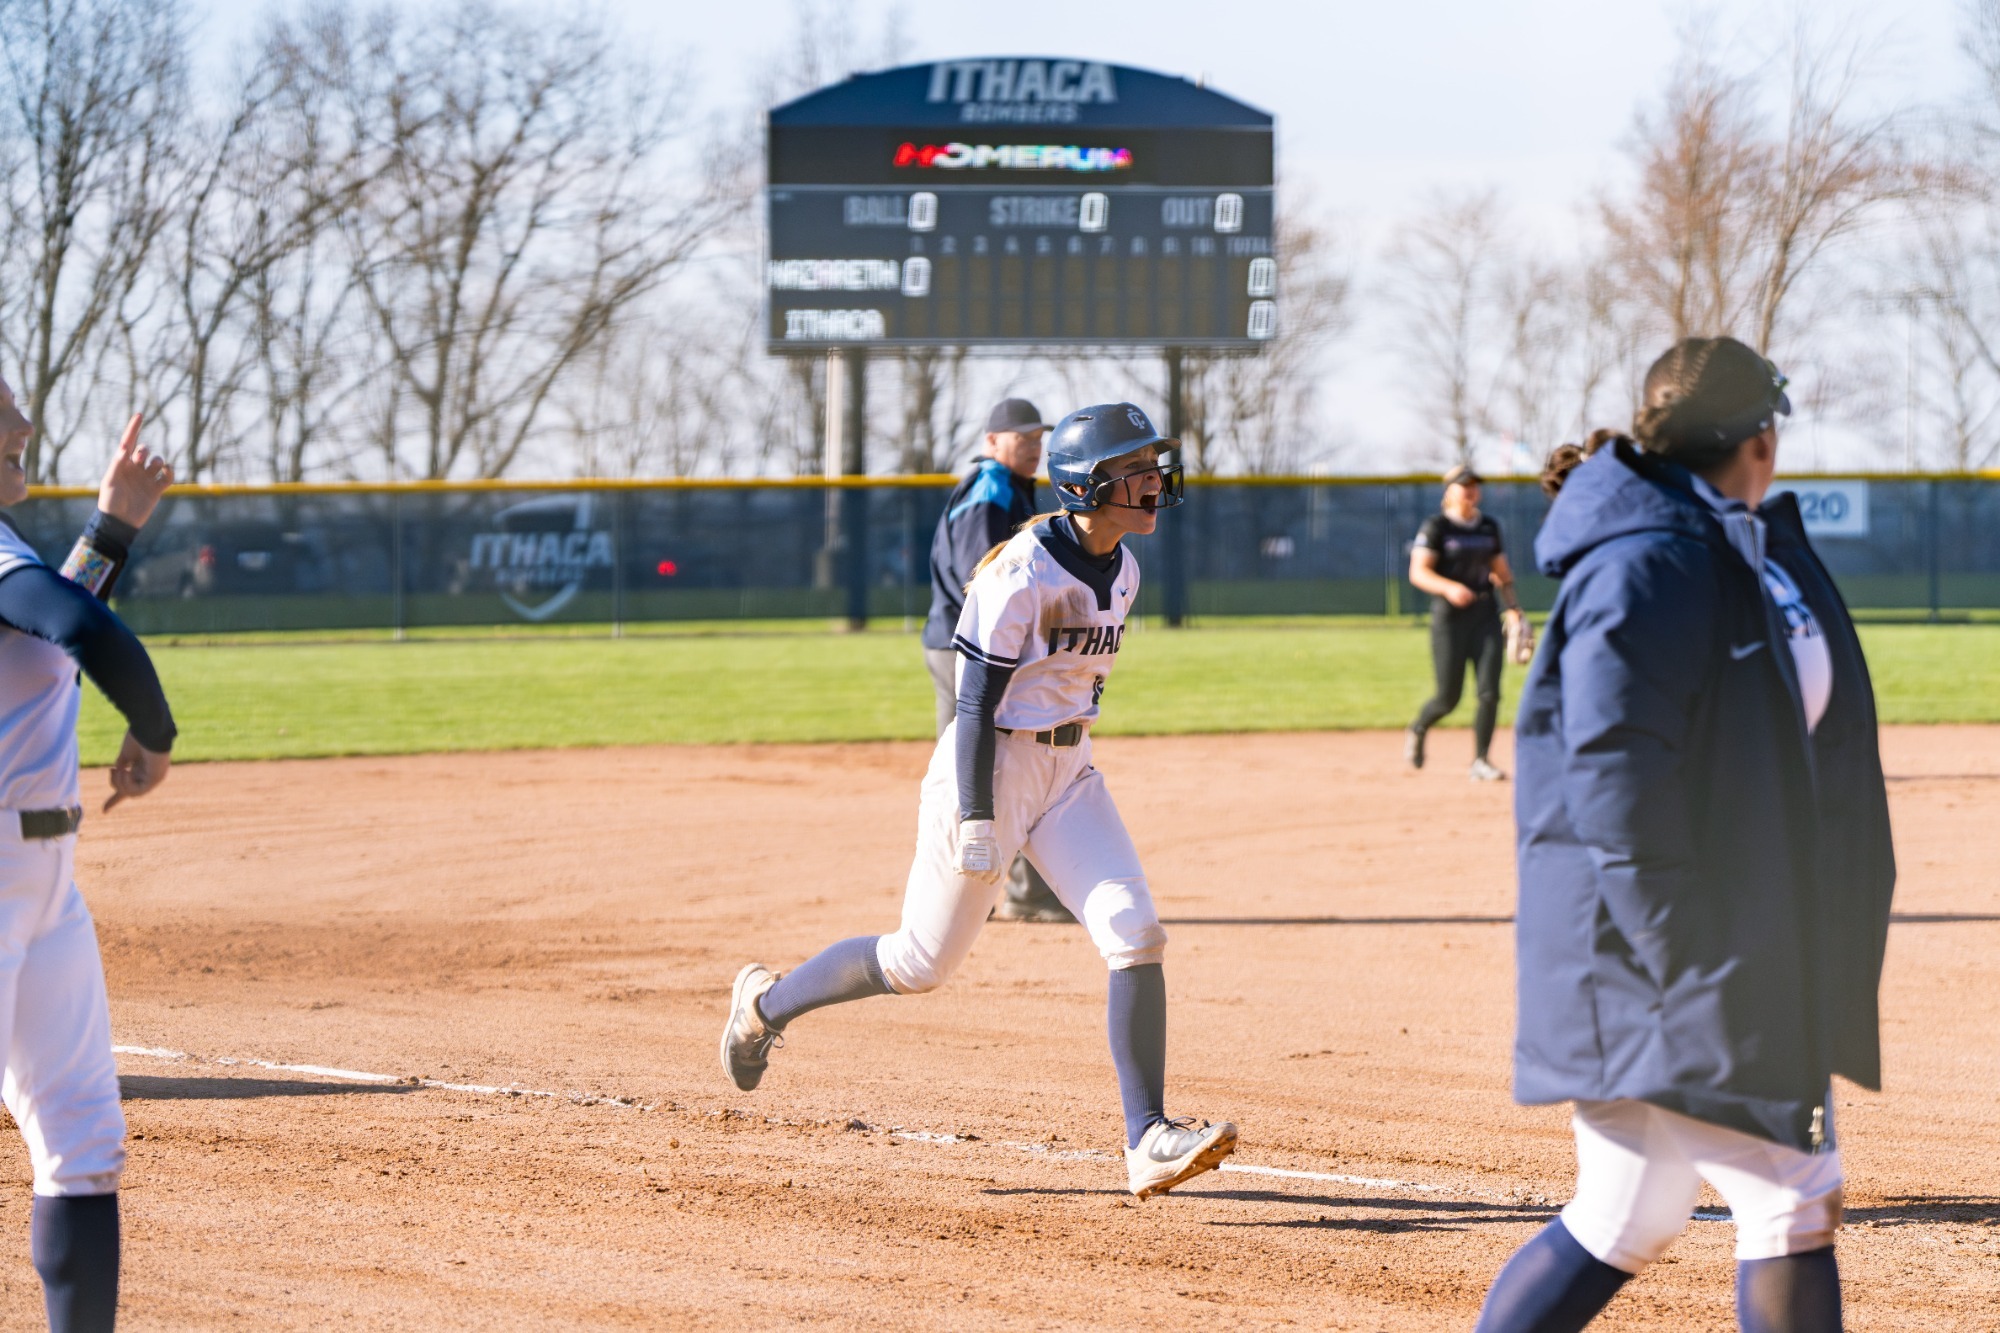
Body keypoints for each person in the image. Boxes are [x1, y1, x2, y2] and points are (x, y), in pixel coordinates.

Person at [1473, 337, 1895, 1333]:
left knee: (1629, 1209)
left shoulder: (1728, 542)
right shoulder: (1650, 562)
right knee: (1791, 1197)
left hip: (1715, 938)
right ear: (1761, 437)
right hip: (1671, 952)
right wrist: (1687, 955)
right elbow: (1611, 774)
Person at [724, 403, 1239, 1199]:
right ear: (1085, 483)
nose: (1152, 481)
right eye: (1134, 468)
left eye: (1151, 465)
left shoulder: (1125, 569)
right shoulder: (1020, 573)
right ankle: (764, 1004)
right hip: (989, 769)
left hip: (1070, 774)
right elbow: (973, 704)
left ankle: (1147, 1137)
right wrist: (975, 814)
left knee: (1136, 930)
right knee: (917, 962)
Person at [0, 383, 179, 1333]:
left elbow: (51, 624)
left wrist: (112, 529)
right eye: (0, 412)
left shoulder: (7, 549)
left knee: (83, 1144)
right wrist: (155, 732)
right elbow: (82, 629)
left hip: (42, 883)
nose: (22, 422)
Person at [921, 397, 1072, 924]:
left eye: (1038, 438)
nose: (1033, 447)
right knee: (991, 762)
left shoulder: (1008, 487)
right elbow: (983, 578)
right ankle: (972, 897)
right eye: (1021, 438)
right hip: (970, 649)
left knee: (993, 762)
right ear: (992, 441)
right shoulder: (991, 491)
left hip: (967, 643)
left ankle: (996, 895)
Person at [1403, 465, 1525, 781]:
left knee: (1489, 692)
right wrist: (1449, 587)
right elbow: (1419, 572)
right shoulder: (1437, 526)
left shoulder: (1488, 526)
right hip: (1449, 619)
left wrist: (1513, 608)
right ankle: (1419, 727)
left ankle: (1481, 761)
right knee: (1448, 697)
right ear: (1449, 490)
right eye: (1463, 485)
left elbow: (1502, 572)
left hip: (1485, 615)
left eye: (1474, 485)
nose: (1470, 490)